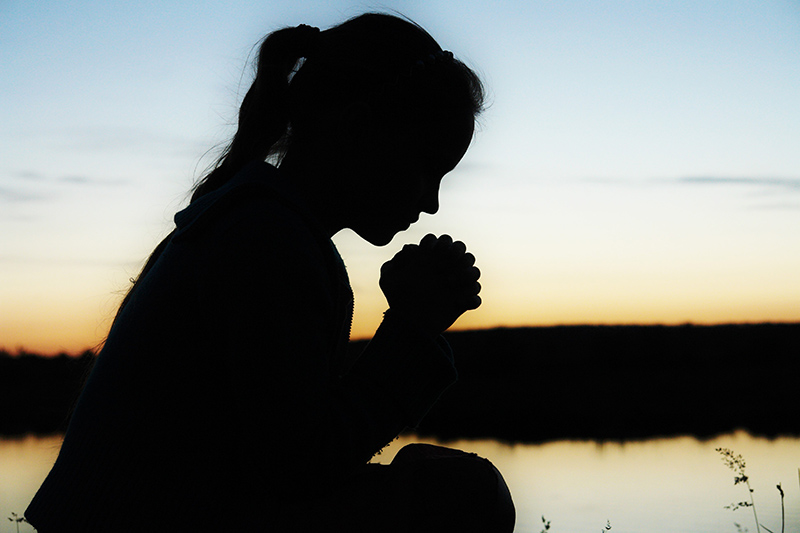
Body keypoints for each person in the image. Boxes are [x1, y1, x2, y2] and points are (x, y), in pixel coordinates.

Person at [26, 12, 514, 532]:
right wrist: (412, 330)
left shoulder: (264, 224)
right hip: (148, 519)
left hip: (157, 510)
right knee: (464, 497)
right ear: (357, 129)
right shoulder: (268, 241)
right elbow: (297, 467)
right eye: (427, 167)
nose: (433, 202)